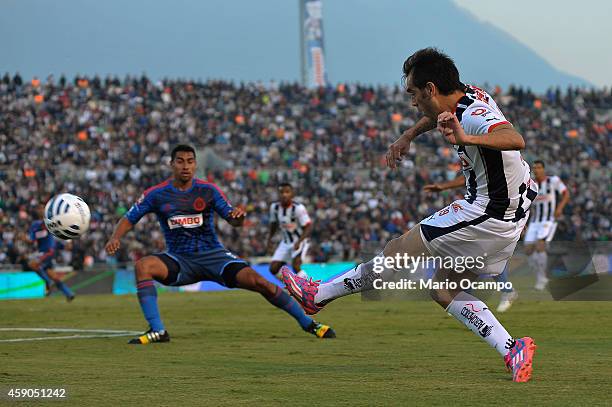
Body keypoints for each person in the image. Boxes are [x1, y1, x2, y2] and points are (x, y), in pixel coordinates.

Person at [282, 48, 538, 382]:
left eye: (414, 94)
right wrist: (408, 136)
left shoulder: (473, 114)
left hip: (487, 213)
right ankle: (512, 349)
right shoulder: (465, 96)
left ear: (431, 89)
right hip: (508, 216)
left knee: (397, 252)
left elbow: (515, 139)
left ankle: (318, 296)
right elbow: (438, 116)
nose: (413, 102)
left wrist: (465, 138)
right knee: (444, 291)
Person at [104, 144, 335, 345]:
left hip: (215, 257)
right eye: (180, 161)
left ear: (195, 165)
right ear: (171, 164)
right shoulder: (156, 194)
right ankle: (157, 330)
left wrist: (239, 217)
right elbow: (129, 217)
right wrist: (115, 237)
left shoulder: (208, 190)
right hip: (179, 260)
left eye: (190, 161)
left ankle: (308, 323)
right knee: (143, 266)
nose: (186, 166)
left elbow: (232, 220)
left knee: (260, 282)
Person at [424, 176, 518, 312]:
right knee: (468, 260)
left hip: (491, 218)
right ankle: (466, 301)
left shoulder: (500, 170)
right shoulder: (482, 170)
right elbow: (469, 178)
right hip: (477, 216)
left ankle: (506, 291)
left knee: (485, 258)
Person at [523, 160, 570, 290]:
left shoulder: (553, 180)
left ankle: (541, 278)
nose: (536, 170)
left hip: (548, 220)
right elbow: (526, 205)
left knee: (540, 246)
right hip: (534, 221)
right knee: (527, 250)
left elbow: (566, 194)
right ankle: (540, 276)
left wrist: (559, 208)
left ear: (543, 169)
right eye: (534, 168)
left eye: (539, 167)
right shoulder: (531, 185)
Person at [28, 204, 75, 301]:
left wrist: (67, 242)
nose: (40, 210)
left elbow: (60, 231)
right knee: (53, 275)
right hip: (44, 252)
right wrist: (25, 239)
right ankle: (68, 293)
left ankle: (48, 283)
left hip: (48, 252)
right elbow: (32, 240)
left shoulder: (48, 222)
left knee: (32, 264)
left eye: (42, 208)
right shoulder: (35, 225)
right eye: (39, 208)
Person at [266, 183, 313, 279]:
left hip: (300, 240)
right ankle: (290, 286)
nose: (284, 195)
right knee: (273, 269)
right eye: (282, 192)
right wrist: (270, 239)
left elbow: (308, 226)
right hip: (286, 242)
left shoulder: (298, 208)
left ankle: (308, 288)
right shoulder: (274, 208)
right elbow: (273, 224)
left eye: (287, 192)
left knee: (296, 265)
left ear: (292, 194)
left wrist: (299, 242)